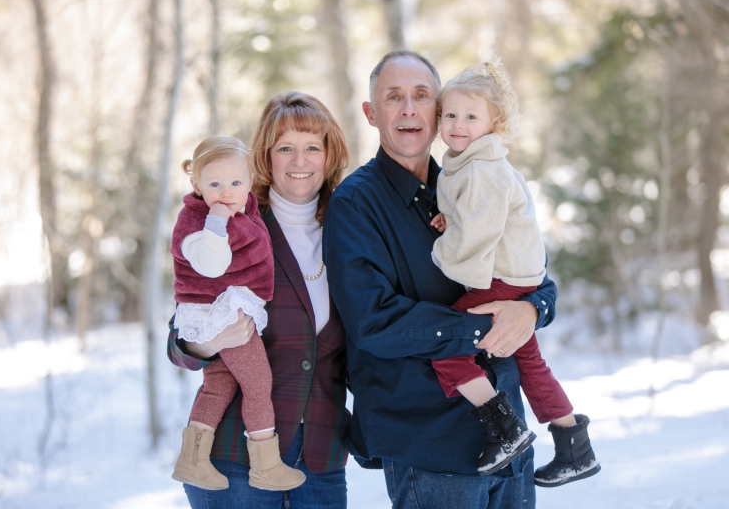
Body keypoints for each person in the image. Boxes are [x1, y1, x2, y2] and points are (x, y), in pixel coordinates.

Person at [323, 50, 555, 508]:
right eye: (394, 97)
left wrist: (532, 308)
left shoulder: (472, 180)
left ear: (438, 110)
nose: (409, 108)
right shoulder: (354, 204)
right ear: (372, 113)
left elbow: (525, 267)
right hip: (430, 446)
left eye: (421, 96)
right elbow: (373, 322)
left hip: (512, 441)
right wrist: (482, 329)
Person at [167, 91, 352, 509]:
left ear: (330, 154)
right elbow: (179, 340)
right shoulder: (233, 223)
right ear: (264, 159)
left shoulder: (350, 230)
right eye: (285, 148)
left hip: (321, 460)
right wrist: (209, 343)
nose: (299, 160)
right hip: (233, 462)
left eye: (312, 147)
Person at [428, 58, 600, 485]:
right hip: (521, 276)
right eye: (450, 115)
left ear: (494, 122)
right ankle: (573, 445)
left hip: (504, 277)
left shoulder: (483, 169)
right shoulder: (473, 161)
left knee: (447, 344)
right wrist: (450, 217)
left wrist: (439, 249)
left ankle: (504, 429)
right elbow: (476, 216)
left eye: (471, 116)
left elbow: (476, 237)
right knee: (529, 360)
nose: (458, 125)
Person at [169, 134, 306, 492]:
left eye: (235, 183)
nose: (226, 192)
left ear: (249, 182)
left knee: (218, 386)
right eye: (214, 184)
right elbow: (211, 265)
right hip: (222, 313)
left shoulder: (245, 211)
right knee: (258, 383)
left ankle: (193, 459)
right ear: (196, 184)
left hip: (222, 311)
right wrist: (215, 221)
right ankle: (266, 464)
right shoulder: (196, 221)